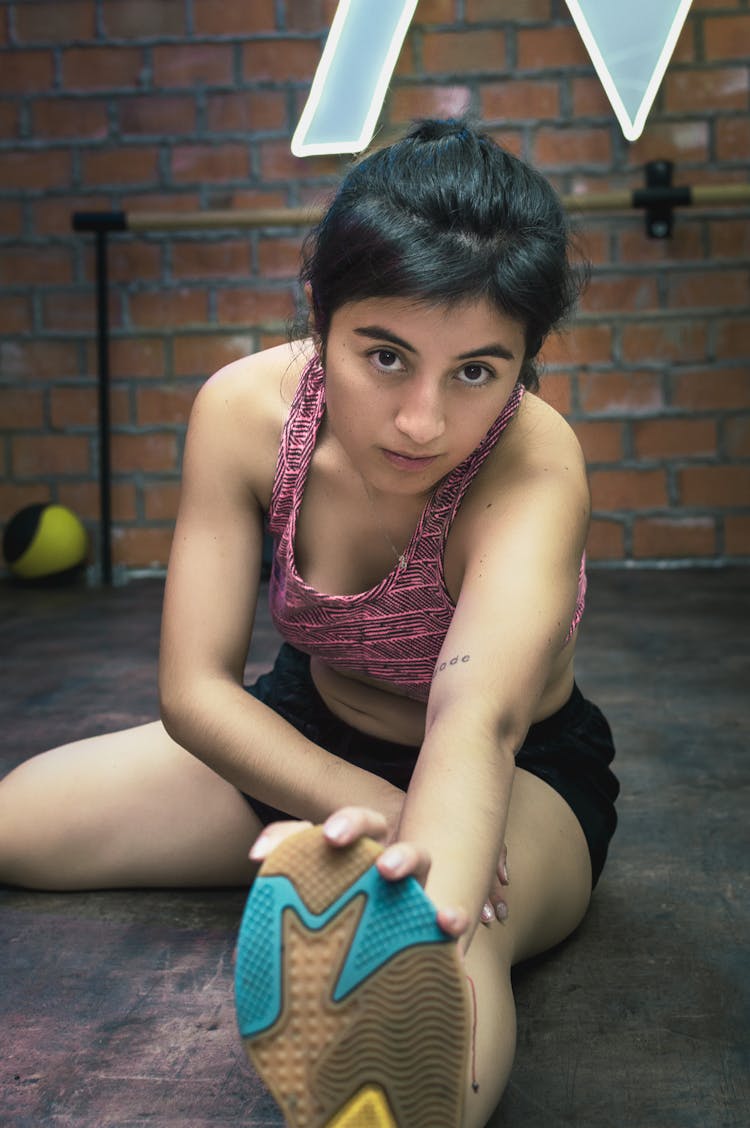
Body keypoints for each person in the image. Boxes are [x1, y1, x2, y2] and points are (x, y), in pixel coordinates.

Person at [0, 119, 618, 1127]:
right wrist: (356, 798)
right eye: (385, 355)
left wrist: (419, 887)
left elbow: (476, 721)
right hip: (306, 739)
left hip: (511, 776)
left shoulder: (535, 466)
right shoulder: (243, 414)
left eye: (476, 371)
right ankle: (345, 870)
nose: (422, 419)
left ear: (524, 361)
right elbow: (194, 688)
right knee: (17, 823)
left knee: (449, 944)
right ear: (320, 317)